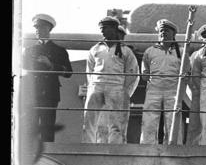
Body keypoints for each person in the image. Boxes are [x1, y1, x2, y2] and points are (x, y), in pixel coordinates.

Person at [82, 16, 139, 144]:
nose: (102, 31)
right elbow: (90, 70)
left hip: (116, 87)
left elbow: (133, 73)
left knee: (117, 123)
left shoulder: (125, 51)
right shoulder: (95, 49)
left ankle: (116, 148)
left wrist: (125, 92)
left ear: (114, 29)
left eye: (105, 28)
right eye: (101, 29)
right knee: (90, 120)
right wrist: (92, 87)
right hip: (97, 85)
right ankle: (88, 146)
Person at [22, 14, 72, 142]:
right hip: (32, 92)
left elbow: (68, 72)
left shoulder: (59, 51)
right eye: (36, 28)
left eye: (41, 28)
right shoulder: (29, 50)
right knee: (30, 127)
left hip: (50, 93)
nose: (38, 30)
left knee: (48, 126)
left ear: (48, 29)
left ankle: (47, 153)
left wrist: (51, 65)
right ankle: (31, 153)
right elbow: (22, 69)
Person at [140, 19, 190, 144]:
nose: (163, 33)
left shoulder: (181, 52)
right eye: (161, 31)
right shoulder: (150, 51)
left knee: (173, 121)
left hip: (173, 90)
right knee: (149, 120)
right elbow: (144, 75)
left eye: (167, 31)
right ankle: (147, 147)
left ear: (173, 34)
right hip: (154, 90)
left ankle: (174, 147)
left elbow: (187, 74)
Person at [186, 24, 206, 145]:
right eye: (205, 37)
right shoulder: (196, 55)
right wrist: (195, 91)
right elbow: (191, 75)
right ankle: (192, 147)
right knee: (195, 124)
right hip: (198, 93)